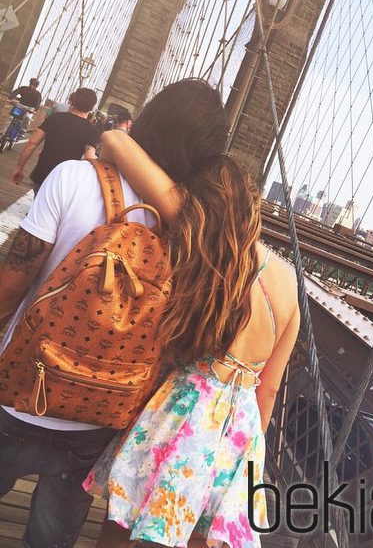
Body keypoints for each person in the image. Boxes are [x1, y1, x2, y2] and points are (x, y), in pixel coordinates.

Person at [0, 79, 248, 548]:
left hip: (21, 390)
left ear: (148, 121)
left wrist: (112, 139)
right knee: (53, 533)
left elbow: (13, 282)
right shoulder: (197, 230)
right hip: (102, 411)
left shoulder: (75, 177)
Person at [82, 96, 300, 547]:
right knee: (197, 533)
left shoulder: (206, 246)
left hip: (181, 409)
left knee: (125, 522)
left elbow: (115, 139)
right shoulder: (288, 283)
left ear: (204, 205)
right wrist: (246, 453)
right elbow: (270, 389)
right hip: (238, 428)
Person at [11, 87, 99, 194]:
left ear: (73, 101)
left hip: (42, 173)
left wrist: (19, 168)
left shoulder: (54, 118)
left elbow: (32, 143)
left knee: (37, 201)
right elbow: (89, 158)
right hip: (65, 180)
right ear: (92, 107)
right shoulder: (92, 130)